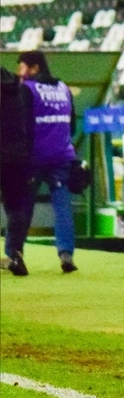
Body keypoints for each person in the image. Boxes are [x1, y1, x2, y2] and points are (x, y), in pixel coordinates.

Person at [17, 50, 78, 274]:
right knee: (62, 207)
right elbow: (71, 125)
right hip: (62, 156)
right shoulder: (63, 88)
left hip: (35, 158)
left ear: (33, 68)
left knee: (24, 207)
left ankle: (16, 253)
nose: (20, 73)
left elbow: (24, 125)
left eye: (22, 67)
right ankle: (66, 255)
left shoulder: (28, 89)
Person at [1, 66, 35, 277]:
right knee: (16, 208)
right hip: (17, 156)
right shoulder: (22, 90)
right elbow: (31, 128)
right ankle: (15, 254)